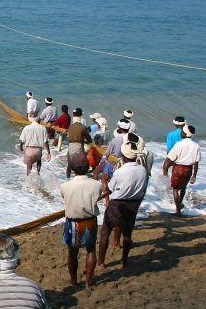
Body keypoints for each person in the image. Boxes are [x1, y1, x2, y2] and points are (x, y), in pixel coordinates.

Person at [97, 142, 147, 269]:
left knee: (105, 232)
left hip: (117, 204)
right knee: (127, 234)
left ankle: (101, 262)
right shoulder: (143, 170)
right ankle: (124, 261)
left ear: (123, 156)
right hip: (133, 205)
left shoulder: (120, 171)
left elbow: (111, 187)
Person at [60, 153, 102, 287]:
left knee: (72, 253)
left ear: (72, 168)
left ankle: (73, 279)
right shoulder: (97, 185)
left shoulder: (66, 186)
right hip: (90, 220)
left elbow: (65, 198)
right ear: (88, 167)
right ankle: (89, 281)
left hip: (73, 223)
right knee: (91, 250)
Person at [163, 124, 200, 216]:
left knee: (175, 189)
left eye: (182, 132)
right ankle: (180, 203)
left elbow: (170, 159)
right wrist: (194, 175)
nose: (181, 133)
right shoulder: (196, 146)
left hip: (178, 168)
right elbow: (196, 162)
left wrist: (165, 169)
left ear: (185, 134)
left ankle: (178, 210)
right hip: (188, 169)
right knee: (183, 187)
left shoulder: (179, 145)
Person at [66, 108, 92, 179]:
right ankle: (77, 178)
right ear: (81, 116)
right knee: (78, 163)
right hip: (79, 145)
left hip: (71, 146)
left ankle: (67, 178)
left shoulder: (71, 127)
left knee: (70, 163)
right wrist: (89, 141)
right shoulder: (83, 128)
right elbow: (88, 138)